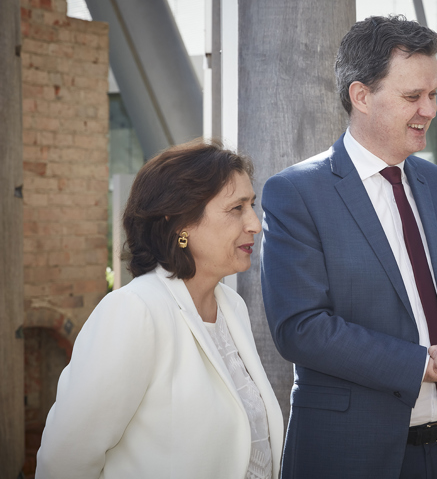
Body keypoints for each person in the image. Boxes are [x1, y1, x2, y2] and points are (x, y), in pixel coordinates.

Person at [260, 14, 437, 479]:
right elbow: (300, 327)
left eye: (433, 95)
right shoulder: (297, 192)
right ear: (361, 96)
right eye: (413, 96)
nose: (429, 109)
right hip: (351, 456)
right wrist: (424, 365)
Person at [37, 141, 284, 479]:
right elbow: (63, 461)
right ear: (179, 222)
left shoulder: (233, 307)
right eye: (236, 208)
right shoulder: (134, 311)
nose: (255, 224)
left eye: (252, 205)